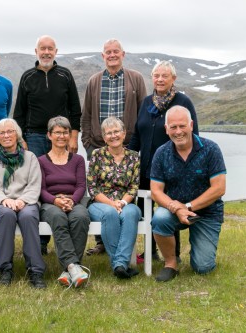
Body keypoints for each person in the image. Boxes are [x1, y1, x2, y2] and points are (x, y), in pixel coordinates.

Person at [13, 35, 82, 255]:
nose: (46, 52)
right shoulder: (27, 77)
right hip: (33, 137)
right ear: (36, 51)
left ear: (56, 51)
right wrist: (21, 138)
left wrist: (72, 136)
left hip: (61, 136)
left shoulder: (65, 75)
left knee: (63, 182)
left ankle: (67, 226)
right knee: (36, 185)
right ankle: (40, 242)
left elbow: (75, 108)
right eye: (42, 48)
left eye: (50, 49)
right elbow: (19, 112)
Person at [128, 60, 199, 263]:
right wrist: (126, 160)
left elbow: (193, 135)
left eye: (164, 76)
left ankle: (173, 254)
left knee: (169, 209)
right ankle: (150, 251)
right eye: (156, 75)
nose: (159, 79)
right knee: (144, 209)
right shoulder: (147, 102)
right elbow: (137, 135)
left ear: (173, 79)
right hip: (145, 169)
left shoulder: (183, 102)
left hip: (171, 169)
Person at [80, 38, 147, 255]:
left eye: (115, 51)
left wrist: (135, 147)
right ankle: (102, 243)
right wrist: (89, 147)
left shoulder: (135, 79)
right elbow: (87, 115)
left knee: (126, 193)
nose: (112, 55)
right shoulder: (94, 81)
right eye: (108, 52)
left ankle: (126, 242)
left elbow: (142, 115)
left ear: (123, 54)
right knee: (101, 190)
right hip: (99, 148)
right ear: (103, 56)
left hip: (127, 148)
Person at [150, 106, 226, 282]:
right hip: (174, 211)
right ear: (166, 129)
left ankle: (200, 249)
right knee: (160, 217)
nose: (178, 132)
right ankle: (170, 263)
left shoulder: (211, 149)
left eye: (182, 126)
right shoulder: (161, 153)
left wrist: (187, 207)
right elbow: (156, 190)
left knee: (203, 267)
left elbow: (219, 188)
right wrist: (176, 209)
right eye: (173, 127)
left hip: (207, 213)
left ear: (191, 125)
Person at [0, 118, 46, 289]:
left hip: (27, 201)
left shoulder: (30, 157)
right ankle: (5, 269)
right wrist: (5, 200)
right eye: (1, 133)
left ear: (17, 134)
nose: (6, 135)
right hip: (0, 203)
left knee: (27, 217)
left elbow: (34, 184)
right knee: (7, 215)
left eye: (10, 131)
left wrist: (22, 200)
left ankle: (35, 270)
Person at [38, 117, 91, 288]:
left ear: (69, 135)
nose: (62, 136)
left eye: (65, 132)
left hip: (74, 201)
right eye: (57, 132)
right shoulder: (41, 161)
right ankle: (74, 267)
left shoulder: (78, 160)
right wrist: (55, 201)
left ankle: (69, 271)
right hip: (50, 204)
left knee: (81, 217)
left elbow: (81, 185)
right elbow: (41, 190)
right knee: (58, 217)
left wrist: (72, 201)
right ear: (49, 135)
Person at [87, 117, 141, 279]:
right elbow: (92, 187)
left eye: (116, 131)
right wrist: (111, 204)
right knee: (110, 214)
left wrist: (123, 202)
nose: (113, 136)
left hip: (126, 202)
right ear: (104, 138)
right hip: (100, 203)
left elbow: (133, 186)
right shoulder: (97, 155)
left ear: (124, 134)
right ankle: (121, 263)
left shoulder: (133, 157)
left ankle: (119, 265)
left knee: (131, 214)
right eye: (108, 133)